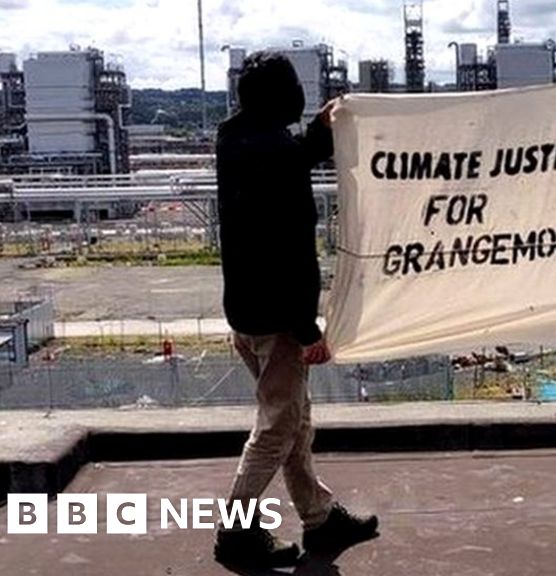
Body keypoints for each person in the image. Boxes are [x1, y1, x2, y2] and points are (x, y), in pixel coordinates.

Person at [214, 51, 378, 568]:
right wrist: (308, 331)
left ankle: (319, 518)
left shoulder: (235, 139)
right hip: (277, 319)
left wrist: (316, 132)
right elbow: (285, 253)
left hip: (247, 311)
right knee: (277, 430)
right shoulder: (273, 156)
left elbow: (288, 156)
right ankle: (235, 534)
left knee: (294, 423)